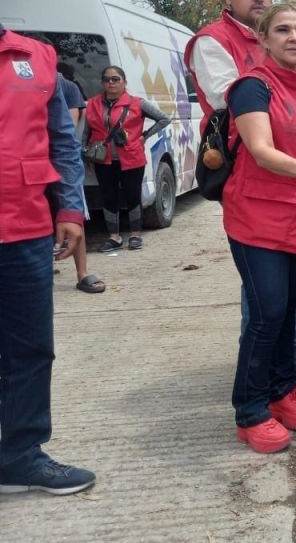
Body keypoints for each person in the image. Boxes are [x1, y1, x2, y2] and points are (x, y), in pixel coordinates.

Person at [185, 0, 296, 393]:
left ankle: (282, 386)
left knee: (277, 306)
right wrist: (289, 104)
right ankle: (254, 400)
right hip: (255, 191)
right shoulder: (217, 44)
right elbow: (234, 106)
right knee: (266, 310)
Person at [223, 0, 296, 454]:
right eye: (283, 30)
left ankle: (282, 392)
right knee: (265, 316)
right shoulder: (252, 87)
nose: (294, 38)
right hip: (258, 222)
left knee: (286, 313)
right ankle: (249, 410)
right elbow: (260, 148)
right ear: (263, 38)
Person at [0, 26, 95, 495]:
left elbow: (62, 141)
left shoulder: (36, 56)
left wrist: (72, 209)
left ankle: (21, 456)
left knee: (31, 349)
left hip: (24, 228)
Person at [82, 66, 170, 252]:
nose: (111, 83)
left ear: (124, 82)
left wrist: (144, 136)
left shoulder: (137, 103)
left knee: (132, 196)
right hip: (103, 159)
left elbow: (164, 119)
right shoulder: (93, 104)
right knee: (108, 197)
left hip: (132, 157)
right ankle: (114, 237)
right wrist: (84, 152)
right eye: (107, 79)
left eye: (115, 79)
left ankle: (135, 235)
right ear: (102, 83)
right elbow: (87, 131)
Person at [55, 68, 104, 294]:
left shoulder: (66, 86)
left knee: (74, 215)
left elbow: (68, 129)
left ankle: (82, 272)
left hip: (60, 161)